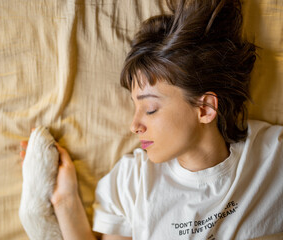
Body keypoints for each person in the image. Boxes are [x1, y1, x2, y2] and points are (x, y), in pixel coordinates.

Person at [20, 0, 283, 239]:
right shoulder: (131, 182)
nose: (134, 125)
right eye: (135, 107)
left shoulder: (274, 157)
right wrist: (65, 200)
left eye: (150, 109)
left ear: (204, 109)